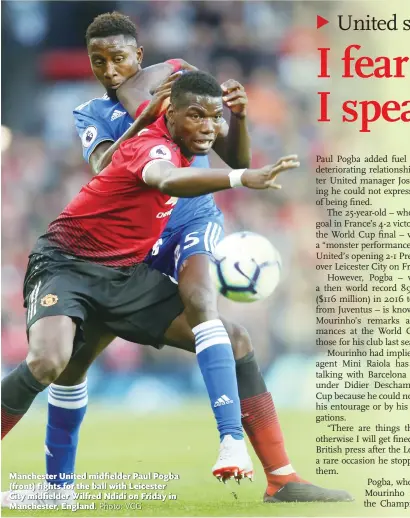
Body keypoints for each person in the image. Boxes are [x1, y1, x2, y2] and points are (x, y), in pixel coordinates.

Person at [1, 12, 352, 506]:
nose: (110, 69)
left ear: (138, 55)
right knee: (65, 365)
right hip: (120, 246)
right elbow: (109, 168)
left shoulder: (179, 79)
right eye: (98, 61)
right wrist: (144, 123)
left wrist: (240, 120)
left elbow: (235, 158)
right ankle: (58, 489)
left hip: (187, 217)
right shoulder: (92, 112)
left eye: (119, 57)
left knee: (207, 307)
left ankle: (264, 463)